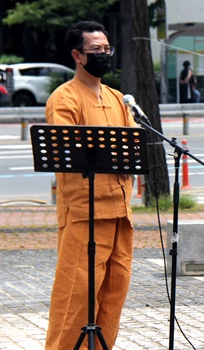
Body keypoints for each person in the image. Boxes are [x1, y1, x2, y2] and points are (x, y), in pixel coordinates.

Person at [44, 21, 137, 349]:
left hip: (120, 212)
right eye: (95, 50)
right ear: (77, 56)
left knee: (113, 294)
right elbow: (65, 150)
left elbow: (132, 148)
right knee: (76, 297)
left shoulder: (117, 98)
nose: (103, 54)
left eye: (106, 49)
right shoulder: (64, 98)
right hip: (85, 213)